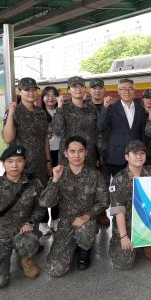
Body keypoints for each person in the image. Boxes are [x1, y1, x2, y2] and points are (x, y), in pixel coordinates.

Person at [0, 145, 45, 289]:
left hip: (24, 230)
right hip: (0, 234)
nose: (15, 165)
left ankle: (26, 258)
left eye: (19, 161)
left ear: (24, 162)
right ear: (3, 163)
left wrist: (31, 222)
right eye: (10, 161)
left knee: (29, 241)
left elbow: (40, 208)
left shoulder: (34, 184)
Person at [40, 136, 109, 276]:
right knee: (55, 269)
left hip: (86, 221)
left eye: (80, 151)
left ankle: (84, 250)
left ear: (86, 153)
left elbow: (104, 201)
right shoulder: (59, 173)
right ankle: (74, 244)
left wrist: (87, 216)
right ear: (65, 153)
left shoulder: (95, 175)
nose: (76, 155)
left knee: (85, 229)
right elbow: (45, 202)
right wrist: (55, 180)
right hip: (65, 222)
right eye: (72, 151)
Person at [52, 76, 106, 225]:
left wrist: (100, 153)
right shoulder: (64, 108)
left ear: (85, 89)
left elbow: (97, 132)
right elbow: (56, 130)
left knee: (88, 189)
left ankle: (87, 222)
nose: (77, 89)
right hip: (69, 157)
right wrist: (60, 107)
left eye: (80, 86)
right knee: (68, 190)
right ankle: (66, 223)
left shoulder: (92, 108)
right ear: (68, 90)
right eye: (74, 87)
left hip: (88, 156)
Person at [3, 77, 51, 232]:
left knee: (38, 202)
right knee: (20, 202)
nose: (31, 93)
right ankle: (19, 238)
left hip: (39, 166)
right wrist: (11, 113)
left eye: (33, 89)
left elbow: (45, 139)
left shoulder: (40, 113)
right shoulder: (13, 111)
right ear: (20, 91)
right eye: (27, 90)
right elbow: (8, 138)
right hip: (20, 166)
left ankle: (33, 236)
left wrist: (48, 162)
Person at [108, 140, 151, 270]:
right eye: (134, 153)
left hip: (148, 221)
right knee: (123, 264)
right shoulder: (119, 179)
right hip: (127, 224)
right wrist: (123, 236)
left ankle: (146, 242)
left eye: (142, 153)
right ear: (126, 157)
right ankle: (119, 242)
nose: (139, 156)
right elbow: (119, 211)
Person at [97, 78, 147, 179]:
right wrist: (105, 108)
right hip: (116, 157)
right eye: (123, 89)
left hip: (136, 156)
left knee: (135, 186)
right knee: (118, 187)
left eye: (130, 89)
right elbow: (101, 127)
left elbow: (143, 134)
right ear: (118, 91)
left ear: (134, 91)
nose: (126, 92)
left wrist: (144, 152)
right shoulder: (111, 108)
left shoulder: (141, 110)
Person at [41, 86, 61, 231]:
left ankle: (55, 218)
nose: (50, 98)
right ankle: (43, 221)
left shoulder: (62, 111)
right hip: (44, 154)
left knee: (59, 185)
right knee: (44, 186)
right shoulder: (38, 113)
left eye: (54, 95)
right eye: (47, 95)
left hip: (60, 153)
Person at [87, 78, 109, 168]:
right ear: (89, 90)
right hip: (89, 153)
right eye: (94, 88)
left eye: (100, 88)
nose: (97, 91)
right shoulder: (84, 108)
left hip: (108, 153)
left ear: (104, 90)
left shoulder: (111, 108)